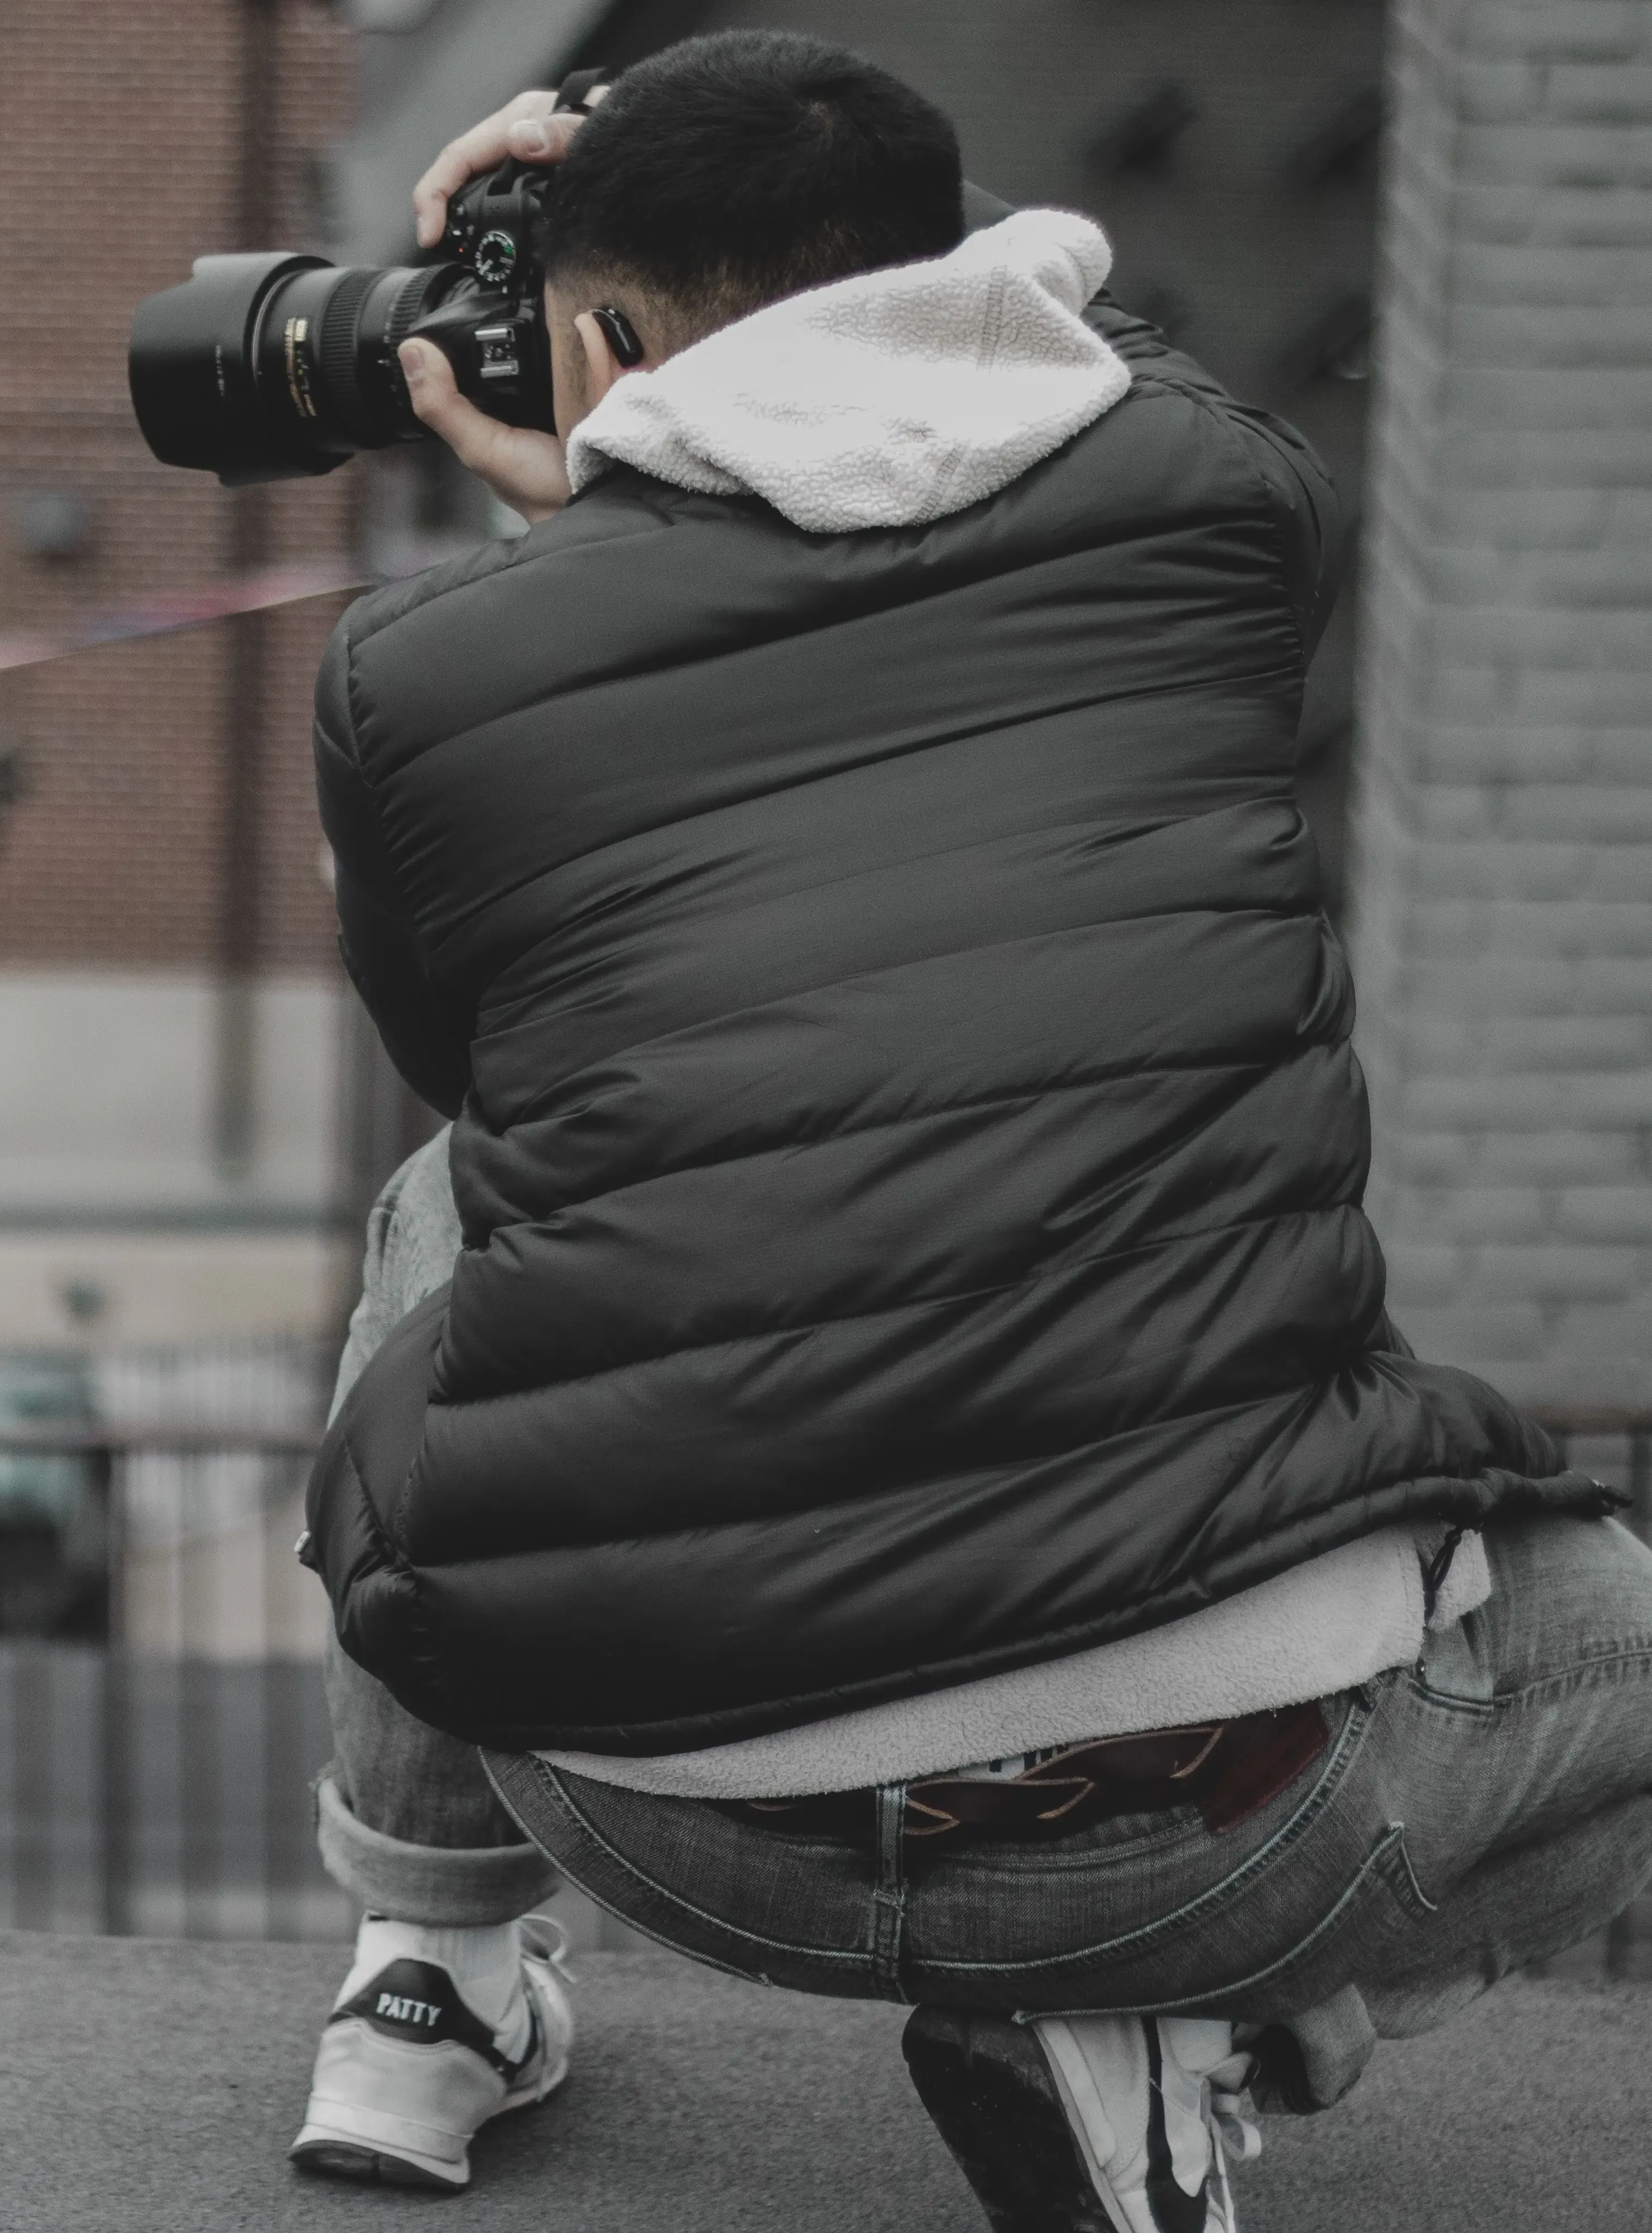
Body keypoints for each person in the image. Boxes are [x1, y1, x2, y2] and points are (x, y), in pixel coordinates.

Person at [286, 32, 1650, 2232]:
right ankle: (1235, 2009)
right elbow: (1034, 387)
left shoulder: (419, 680)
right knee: (1612, 1635)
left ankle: (425, 1981)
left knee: (467, 1207)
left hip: (663, 1814)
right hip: (1255, 1811)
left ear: (607, 342)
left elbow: (492, 1066)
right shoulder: (1228, 504)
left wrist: (591, 474)